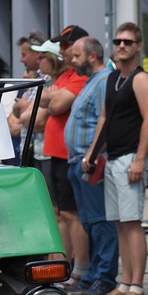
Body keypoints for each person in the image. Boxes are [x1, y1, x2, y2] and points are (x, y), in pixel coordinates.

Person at [85, 22, 148, 295]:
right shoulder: (113, 77)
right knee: (120, 223)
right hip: (114, 156)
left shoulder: (142, 79)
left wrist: (140, 159)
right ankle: (124, 282)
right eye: (118, 41)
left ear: (138, 46)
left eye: (128, 42)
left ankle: (137, 287)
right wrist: (92, 153)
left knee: (132, 223)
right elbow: (104, 118)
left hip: (131, 156)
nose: (122, 46)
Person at [61, 30, 118, 295]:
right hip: (79, 161)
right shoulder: (91, 81)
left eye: (76, 55)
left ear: (92, 56)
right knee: (89, 222)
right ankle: (94, 273)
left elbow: (104, 122)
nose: (72, 60)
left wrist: (93, 155)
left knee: (100, 221)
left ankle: (104, 276)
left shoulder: (104, 80)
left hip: (90, 162)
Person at [36, 45, 89, 280]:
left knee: (72, 214)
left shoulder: (78, 77)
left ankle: (79, 268)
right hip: (54, 153)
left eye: (70, 50)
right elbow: (39, 104)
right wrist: (49, 97)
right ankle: (61, 267)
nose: (66, 54)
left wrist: (50, 98)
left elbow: (55, 105)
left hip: (68, 154)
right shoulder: (66, 76)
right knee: (60, 213)